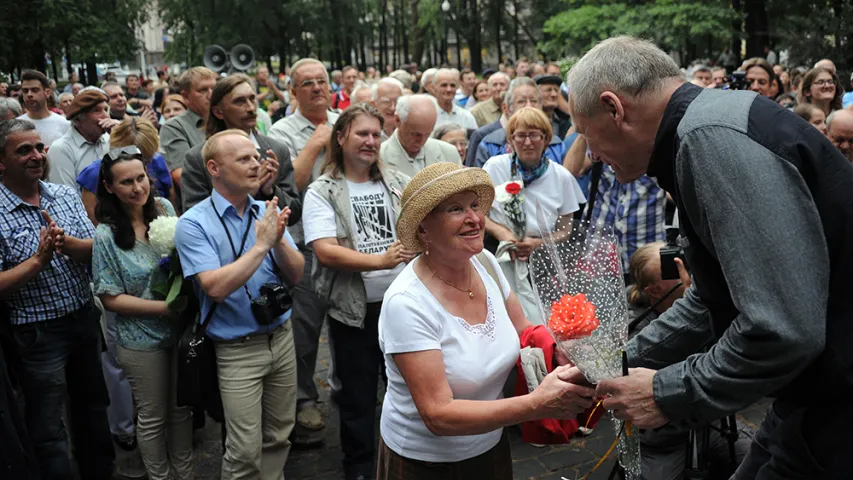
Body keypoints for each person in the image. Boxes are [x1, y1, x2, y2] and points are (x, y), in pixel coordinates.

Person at [569, 35, 853, 477]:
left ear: (615, 108)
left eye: (586, 134)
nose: (592, 155)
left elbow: (783, 330)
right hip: (811, 399)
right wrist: (614, 365)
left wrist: (664, 393)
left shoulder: (709, 139)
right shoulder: (708, 126)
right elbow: (711, 299)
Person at [376, 161, 596, 480]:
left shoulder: (484, 262)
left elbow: (525, 332)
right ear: (423, 229)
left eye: (475, 205)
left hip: (490, 448)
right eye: (456, 209)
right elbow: (438, 415)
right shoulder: (406, 303)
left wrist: (562, 353)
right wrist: (537, 404)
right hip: (426, 465)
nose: (475, 219)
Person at [175, 129, 304, 479]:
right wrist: (262, 245)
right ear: (214, 168)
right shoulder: (193, 223)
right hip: (237, 348)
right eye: (244, 158)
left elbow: (296, 274)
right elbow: (214, 288)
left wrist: (277, 242)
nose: (256, 164)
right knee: (244, 449)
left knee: (279, 434)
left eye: (256, 157)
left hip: (281, 335)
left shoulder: (267, 209)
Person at [303, 104, 413, 480]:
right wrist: (381, 261)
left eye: (376, 135)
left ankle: (410, 458)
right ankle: (361, 468)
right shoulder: (324, 190)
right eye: (362, 133)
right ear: (341, 137)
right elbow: (325, 250)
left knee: (410, 390)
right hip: (354, 311)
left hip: (403, 306)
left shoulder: (396, 180)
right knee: (358, 398)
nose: (370, 141)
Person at [0, 119, 114, 479]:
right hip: (35, 334)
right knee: (49, 428)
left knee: (94, 411)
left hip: (82, 319)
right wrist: (37, 261)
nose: (37, 156)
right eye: (24, 150)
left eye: (39, 147)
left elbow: (96, 252)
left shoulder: (63, 195)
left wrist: (69, 245)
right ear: (1, 162)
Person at [92, 147, 192, 480]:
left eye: (141, 178)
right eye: (126, 182)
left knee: (181, 411)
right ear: (109, 187)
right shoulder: (106, 234)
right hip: (140, 339)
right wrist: (163, 308)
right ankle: (159, 476)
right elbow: (110, 297)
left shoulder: (163, 208)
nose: (137, 188)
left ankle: (185, 473)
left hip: (177, 331)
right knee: (153, 416)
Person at [627, 243, 750, 480]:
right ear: (653, 290)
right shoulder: (638, 329)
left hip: (710, 425)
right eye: (673, 270)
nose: (687, 275)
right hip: (662, 439)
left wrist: (703, 302)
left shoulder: (708, 308)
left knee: (760, 459)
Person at [268, 57, 340, 443]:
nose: (316, 88)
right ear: (293, 91)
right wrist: (314, 145)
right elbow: (287, 188)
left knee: (348, 317)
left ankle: (343, 386)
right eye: (306, 83)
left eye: (321, 81)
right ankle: (302, 399)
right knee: (305, 326)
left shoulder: (343, 120)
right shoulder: (280, 132)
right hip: (302, 242)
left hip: (345, 239)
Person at [482, 107, 585, 323]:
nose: (527, 142)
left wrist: (536, 243)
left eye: (534, 135)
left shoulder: (561, 176)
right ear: (511, 139)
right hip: (501, 254)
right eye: (520, 135)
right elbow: (478, 213)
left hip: (544, 262)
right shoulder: (495, 167)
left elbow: (566, 230)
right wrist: (503, 234)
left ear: (546, 139)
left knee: (542, 319)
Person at [180, 73, 300, 216]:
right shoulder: (198, 158)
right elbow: (194, 219)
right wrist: (245, 194)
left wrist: (270, 191)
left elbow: (294, 213)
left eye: (252, 99)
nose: (250, 108)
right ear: (218, 112)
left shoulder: (276, 150)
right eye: (239, 101)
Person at [76, 117, 174, 224]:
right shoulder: (94, 173)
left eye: (146, 159)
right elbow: (93, 224)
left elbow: (171, 201)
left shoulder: (157, 160)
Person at [474, 77, 566, 169]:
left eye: (534, 101)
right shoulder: (490, 145)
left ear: (541, 106)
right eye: (522, 101)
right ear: (507, 109)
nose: (529, 106)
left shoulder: (556, 145)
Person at [160, 67, 217, 205]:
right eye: (203, 90)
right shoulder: (174, 127)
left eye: (214, 88)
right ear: (185, 97)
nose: (211, 95)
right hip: (202, 207)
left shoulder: (227, 119)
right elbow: (183, 177)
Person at [47, 89, 116, 188]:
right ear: (78, 118)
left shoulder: (109, 138)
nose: (106, 116)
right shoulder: (61, 149)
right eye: (96, 110)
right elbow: (66, 197)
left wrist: (122, 136)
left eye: (105, 109)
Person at [380, 95, 461, 178]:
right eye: (415, 134)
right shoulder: (379, 158)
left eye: (428, 134)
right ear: (397, 120)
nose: (421, 141)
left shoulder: (449, 153)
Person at [17, 70, 70, 147]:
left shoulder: (64, 124)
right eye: (25, 91)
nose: (29, 94)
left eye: (35, 90)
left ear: (47, 93)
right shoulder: (16, 126)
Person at [535, 75, 571, 139]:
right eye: (548, 90)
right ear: (536, 94)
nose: (554, 94)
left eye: (556, 90)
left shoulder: (565, 121)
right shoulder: (530, 121)